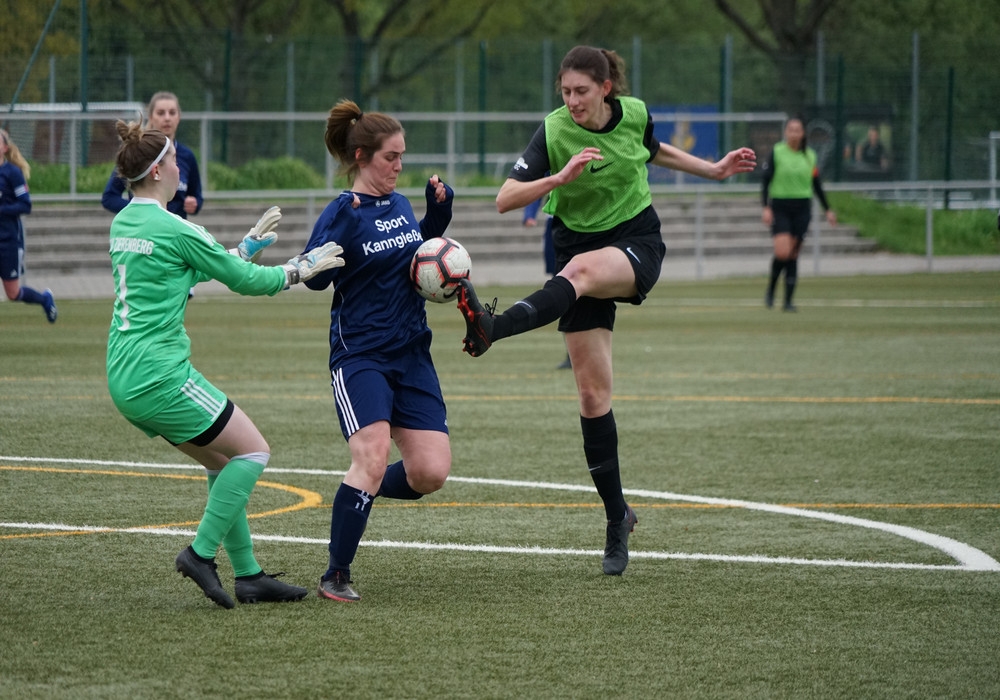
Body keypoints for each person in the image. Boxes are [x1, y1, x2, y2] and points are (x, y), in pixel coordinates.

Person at [455, 46, 757, 575]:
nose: (572, 101)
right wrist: (559, 178)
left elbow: (652, 149)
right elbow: (505, 199)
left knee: (580, 275)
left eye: (582, 92)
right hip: (576, 244)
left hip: (636, 239)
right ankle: (618, 516)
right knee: (593, 394)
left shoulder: (635, 114)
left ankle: (493, 327)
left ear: (605, 88)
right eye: (565, 92)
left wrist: (713, 170)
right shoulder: (552, 132)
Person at [106, 117, 344, 608]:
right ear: (156, 172)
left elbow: (189, 271)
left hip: (125, 373)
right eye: (172, 160)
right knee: (253, 452)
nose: (179, 167)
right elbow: (246, 282)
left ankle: (251, 576)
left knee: (222, 461)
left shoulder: (124, 222)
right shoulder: (177, 226)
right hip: (160, 374)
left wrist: (246, 248)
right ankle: (199, 553)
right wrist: (298, 269)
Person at [301, 99, 455, 603]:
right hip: (361, 354)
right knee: (371, 455)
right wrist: (323, 256)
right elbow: (314, 280)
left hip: (411, 351)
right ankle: (336, 573)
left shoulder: (401, 205)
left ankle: (356, 491)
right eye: (391, 157)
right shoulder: (342, 213)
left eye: (402, 157)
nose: (399, 166)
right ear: (363, 156)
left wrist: (436, 219)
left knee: (430, 471)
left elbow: (418, 263)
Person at [760, 115, 836, 311]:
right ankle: (770, 290)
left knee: (793, 254)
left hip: (802, 208)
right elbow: (766, 180)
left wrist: (828, 209)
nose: (794, 133)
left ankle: (788, 301)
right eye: (791, 129)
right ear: (786, 132)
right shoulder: (777, 152)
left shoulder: (809, 156)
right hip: (780, 206)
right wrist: (765, 207)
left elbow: (816, 184)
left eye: (798, 130)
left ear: (803, 134)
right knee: (782, 252)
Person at [102, 92, 203, 219]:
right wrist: (140, 210)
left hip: (173, 233)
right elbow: (109, 197)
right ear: (150, 117)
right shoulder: (138, 152)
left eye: (172, 113)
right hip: (144, 229)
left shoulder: (187, 156)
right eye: (161, 113)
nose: (167, 118)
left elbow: (196, 196)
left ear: (179, 117)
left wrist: (195, 203)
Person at [0, 128, 57, 322]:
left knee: (13, 293)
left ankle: (45, 299)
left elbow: (25, 204)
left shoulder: (12, 173)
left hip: (8, 241)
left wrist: (2, 210)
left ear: (4, 148)